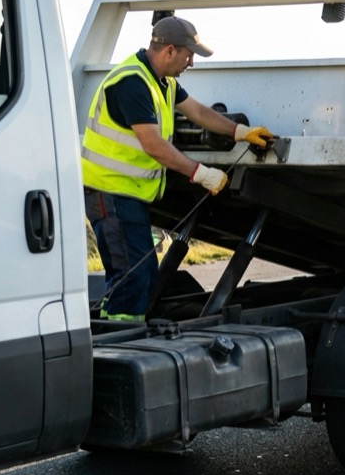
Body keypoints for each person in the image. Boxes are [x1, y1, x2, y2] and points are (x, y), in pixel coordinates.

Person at [82, 16, 274, 321]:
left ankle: (113, 326)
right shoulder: (132, 83)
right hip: (110, 193)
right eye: (188, 55)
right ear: (169, 50)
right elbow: (153, 145)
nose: (191, 63)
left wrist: (239, 131)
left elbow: (198, 112)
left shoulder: (163, 82)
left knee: (137, 274)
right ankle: (121, 336)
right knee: (134, 276)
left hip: (124, 194)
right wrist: (201, 174)